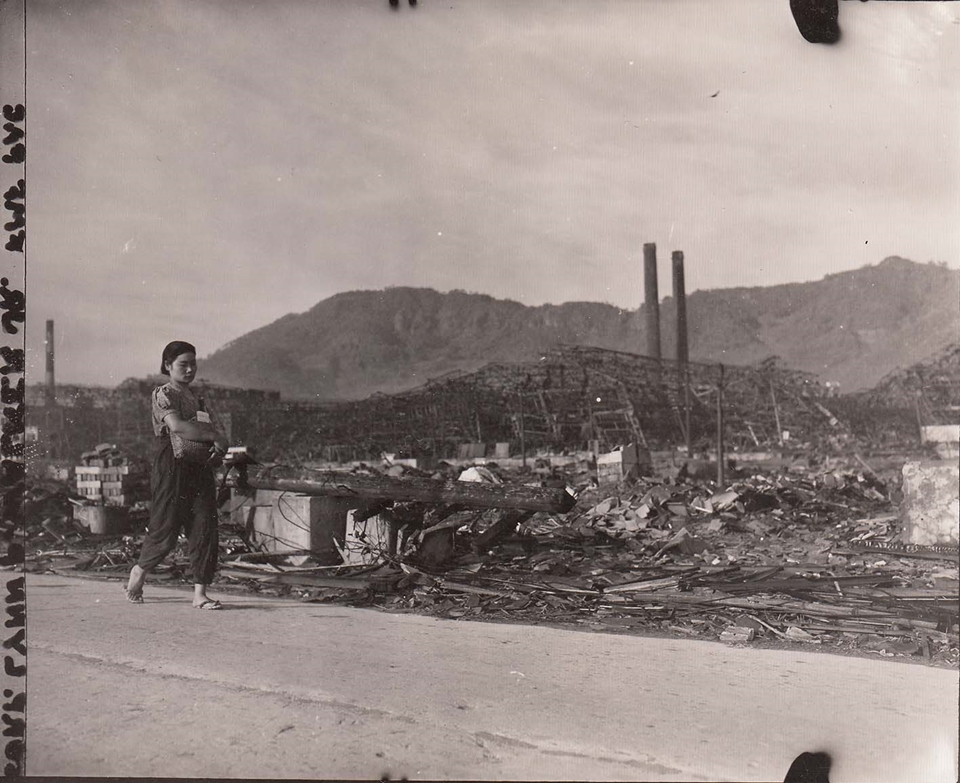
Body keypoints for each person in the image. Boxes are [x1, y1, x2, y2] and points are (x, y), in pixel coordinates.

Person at [125, 341, 229, 609]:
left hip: (199, 468)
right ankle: (140, 570)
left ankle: (200, 594)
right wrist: (215, 436)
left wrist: (217, 447)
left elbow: (208, 432)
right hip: (171, 467)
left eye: (193, 364)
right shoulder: (163, 395)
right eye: (183, 364)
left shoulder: (199, 399)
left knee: (205, 526)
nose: (190, 369)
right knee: (165, 527)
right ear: (168, 365)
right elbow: (178, 427)